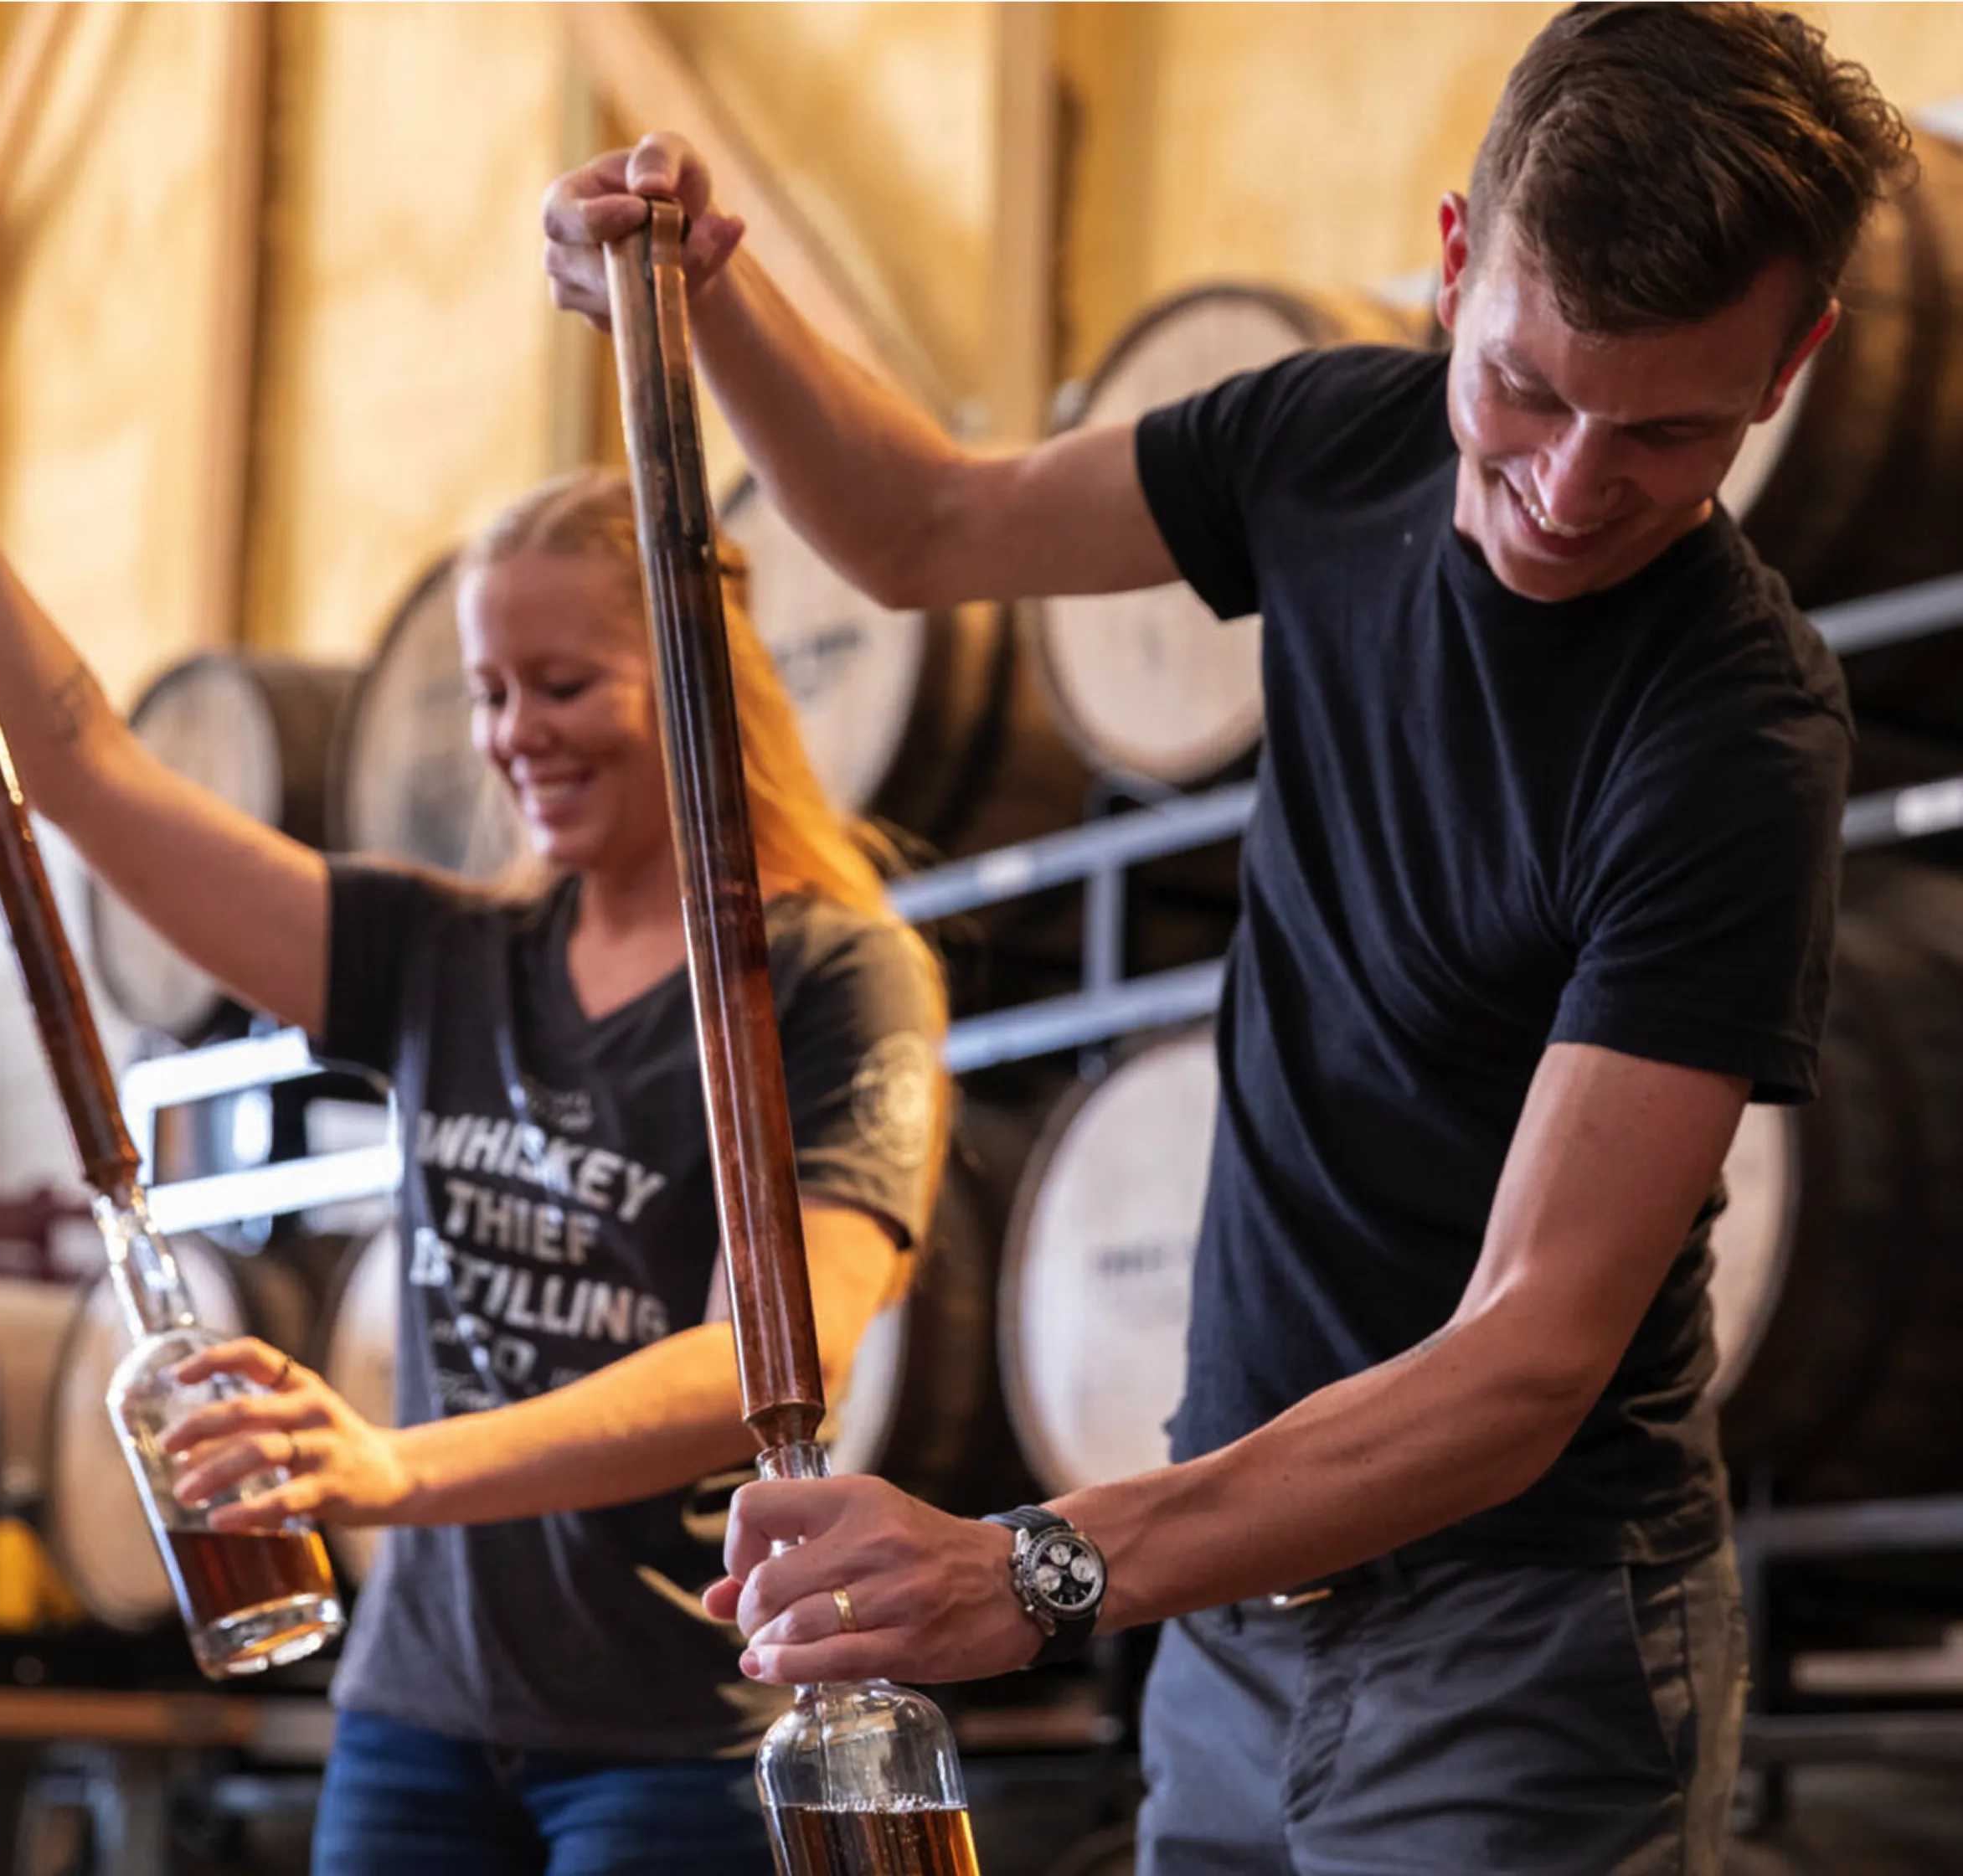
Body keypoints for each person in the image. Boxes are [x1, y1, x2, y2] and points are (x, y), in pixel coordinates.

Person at [540, 2, 1916, 1869]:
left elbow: (1524, 1354)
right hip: (1231, 1614)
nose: (1570, 486)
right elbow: (921, 527)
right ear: (1450, 264)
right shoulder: (1329, 440)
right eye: (1524, 387)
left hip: (1511, 1642)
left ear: (1793, 365)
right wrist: (704, 293)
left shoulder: (1731, 732)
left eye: (1665, 429)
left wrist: (1036, 1563)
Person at [0, 421, 949, 1875]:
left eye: (564, 683)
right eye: (486, 692)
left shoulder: (834, 976)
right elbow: (87, 772)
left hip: (678, 1740)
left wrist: (397, 1471)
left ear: (694, 677)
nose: (513, 731)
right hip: (417, 1726)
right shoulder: (447, 956)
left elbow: (775, 1362)